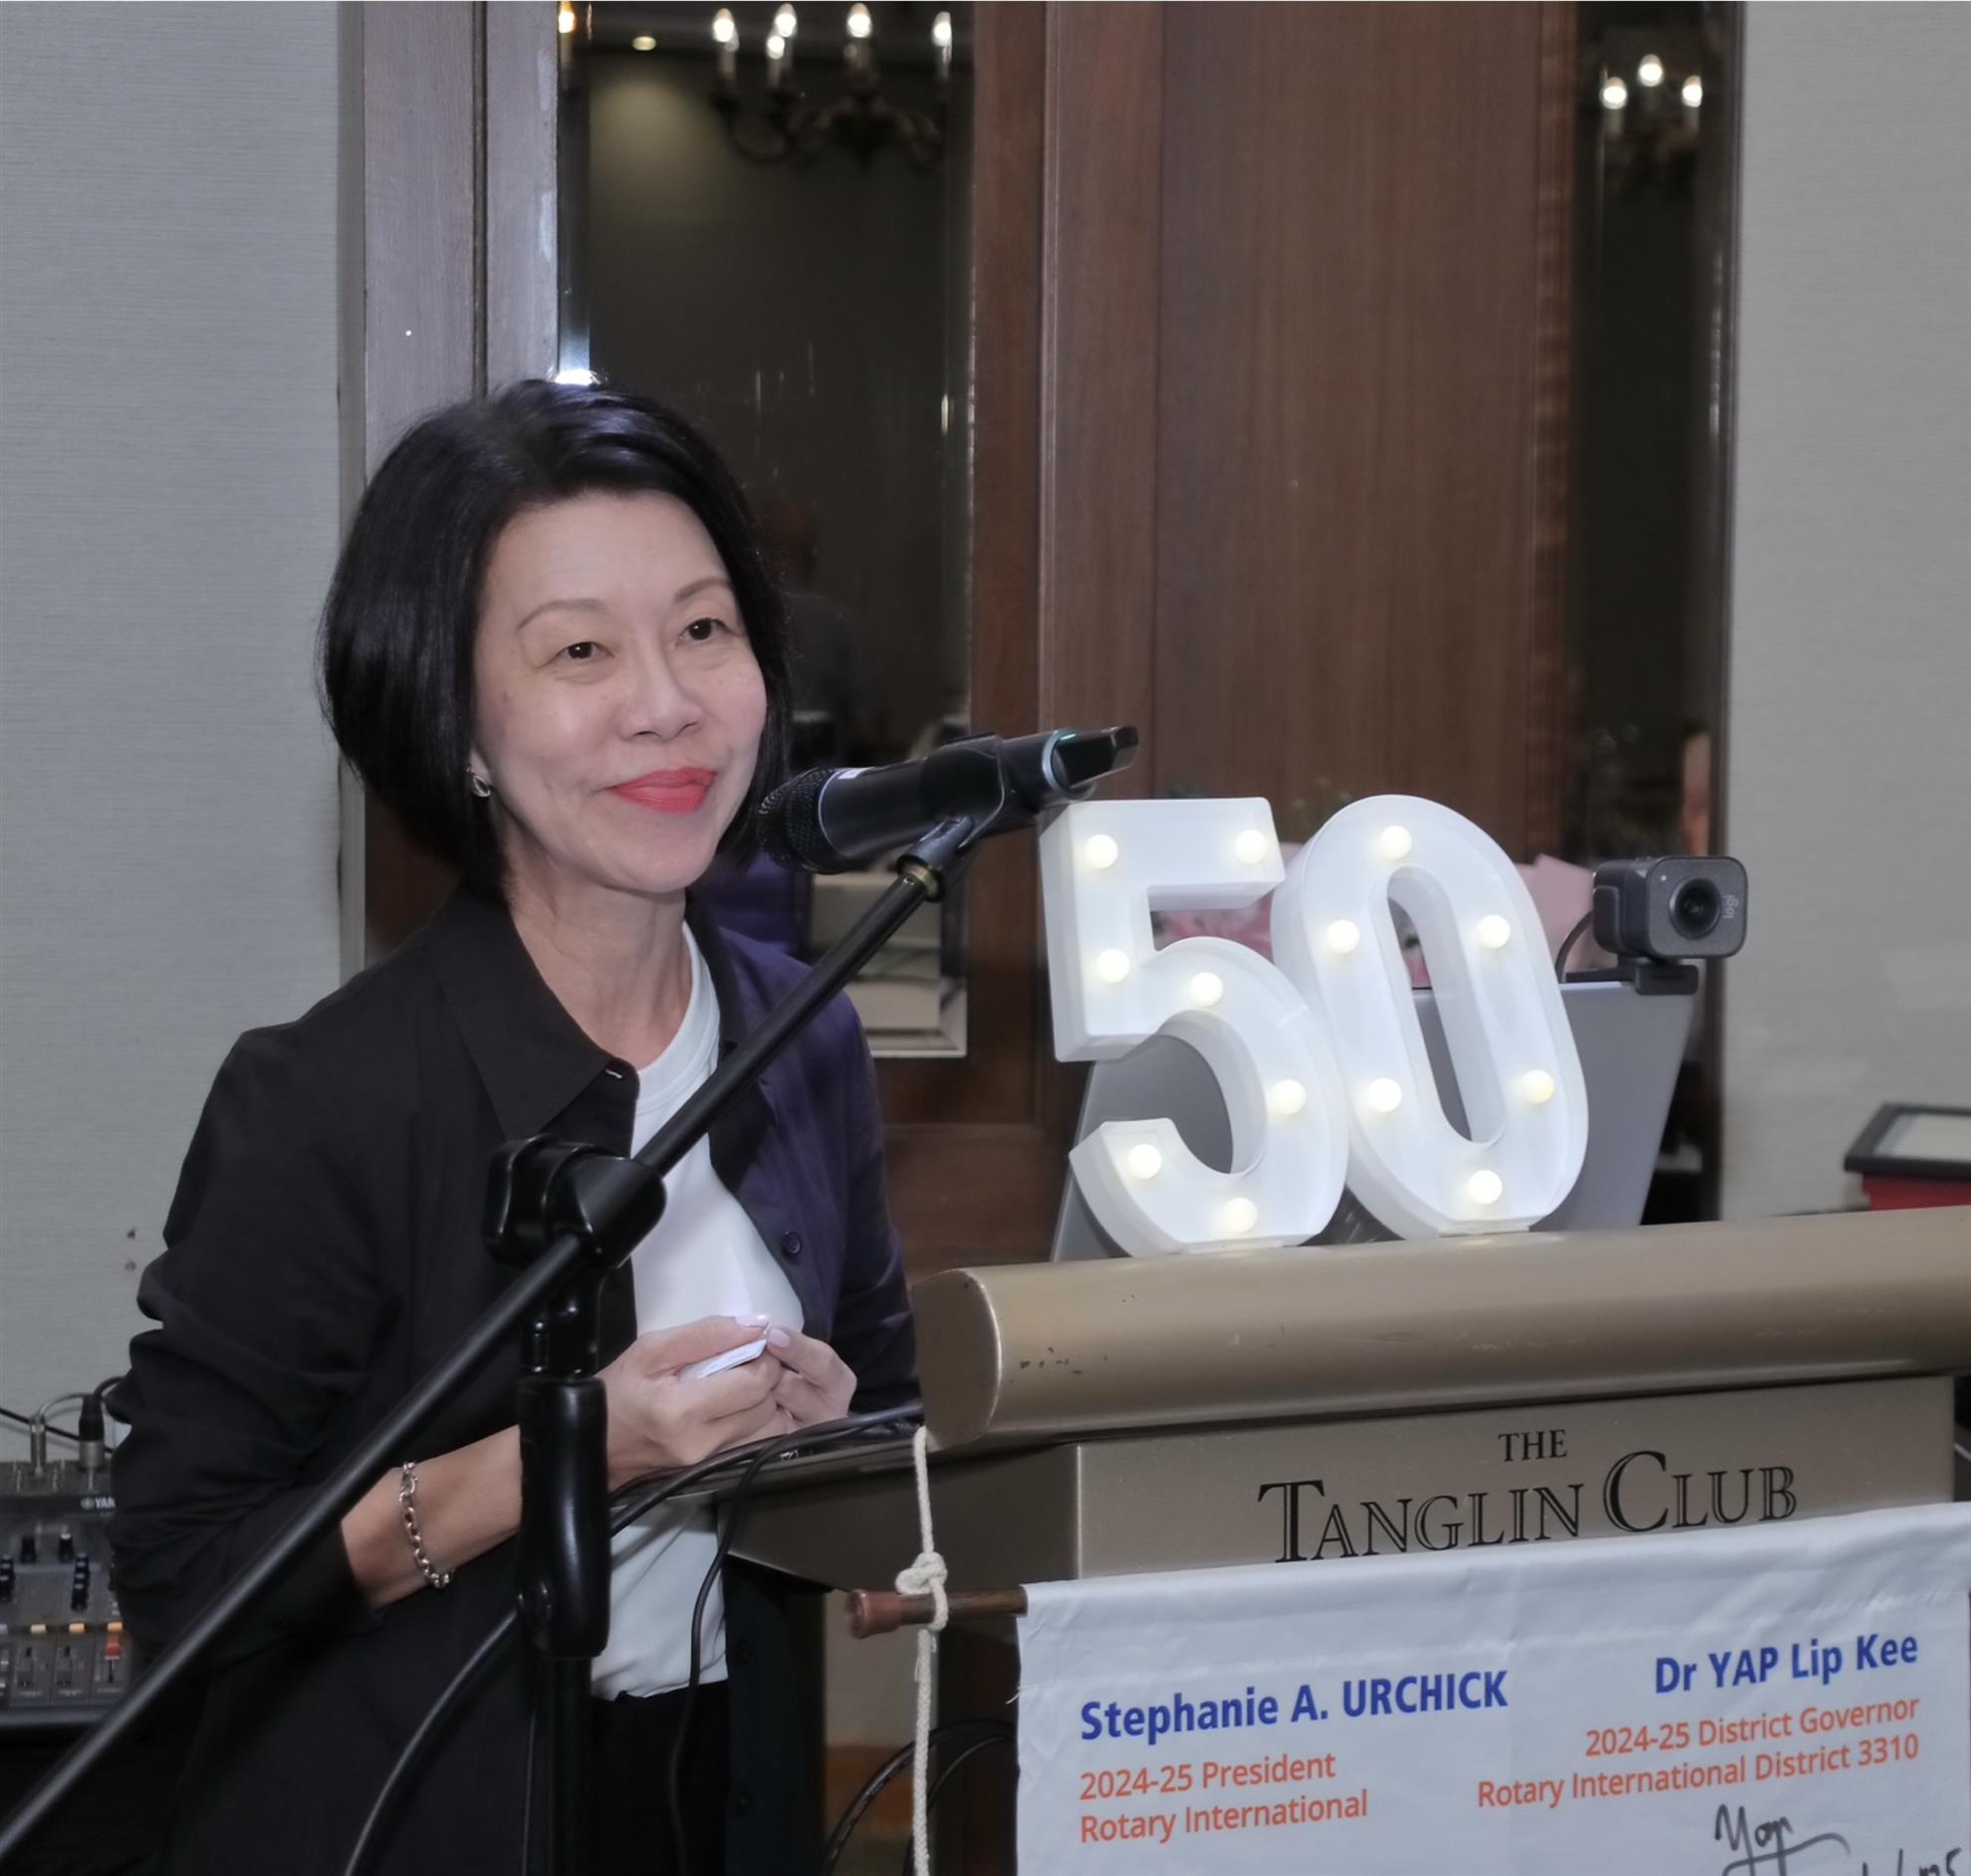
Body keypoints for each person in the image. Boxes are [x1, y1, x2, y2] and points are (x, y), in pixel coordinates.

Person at [108, 381, 916, 1875]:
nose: (666, 702)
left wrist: (838, 1441)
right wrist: (571, 1455)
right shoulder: (326, 1100)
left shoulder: (805, 1033)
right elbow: (181, 1567)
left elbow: (887, 1413)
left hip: (725, 1789)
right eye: (580, 651)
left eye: (703, 630)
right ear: (458, 725)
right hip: (409, 1816)